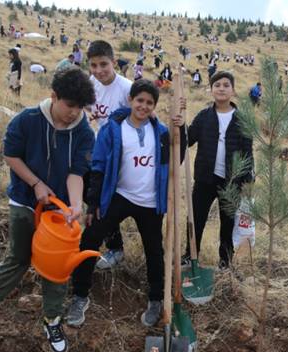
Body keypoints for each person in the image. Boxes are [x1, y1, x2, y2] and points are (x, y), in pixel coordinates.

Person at [0, 68, 96, 352]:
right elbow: (10, 155)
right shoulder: (28, 120)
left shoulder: (85, 132)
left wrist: (75, 205)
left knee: (57, 268)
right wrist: (35, 182)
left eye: (80, 107)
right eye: (69, 105)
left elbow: (77, 173)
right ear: (54, 96)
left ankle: (52, 320)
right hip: (25, 200)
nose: (74, 113)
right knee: (19, 257)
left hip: (58, 211)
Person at [68, 79, 186, 327]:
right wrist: (94, 202)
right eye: (140, 100)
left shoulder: (163, 132)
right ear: (131, 100)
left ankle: (156, 300)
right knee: (90, 238)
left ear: (154, 106)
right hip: (119, 195)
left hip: (151, 202)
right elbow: (98, 166)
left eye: (149, 103)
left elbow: (178, 157)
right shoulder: (113, 128)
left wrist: (182, 130)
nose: (143, 106)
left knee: (154, 251)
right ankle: (79, 295)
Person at [184, 71, 253, 270]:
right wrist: (180, 125)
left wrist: (247, 180)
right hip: (205, 179)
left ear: (233, 90)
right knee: (196, 219)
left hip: (232, 182)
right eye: (217, 85)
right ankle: (190, 255)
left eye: (225, 85)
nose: (221, 88)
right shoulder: (204, 116)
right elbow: (188, 140)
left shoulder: (242, 119)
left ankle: (225, 262)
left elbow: (248, 154)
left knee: (228, 224)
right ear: (211, 89)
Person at [84, 40, 133, 270]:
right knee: (95, 197)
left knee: (111, 201)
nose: (98, 71)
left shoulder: (126, 88)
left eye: (103, 64)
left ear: (114, 62)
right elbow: (86, 108)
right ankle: (112, 244)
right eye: (93, 65)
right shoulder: (91, 83)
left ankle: (116, 248)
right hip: (97, 151)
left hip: (121, 154)